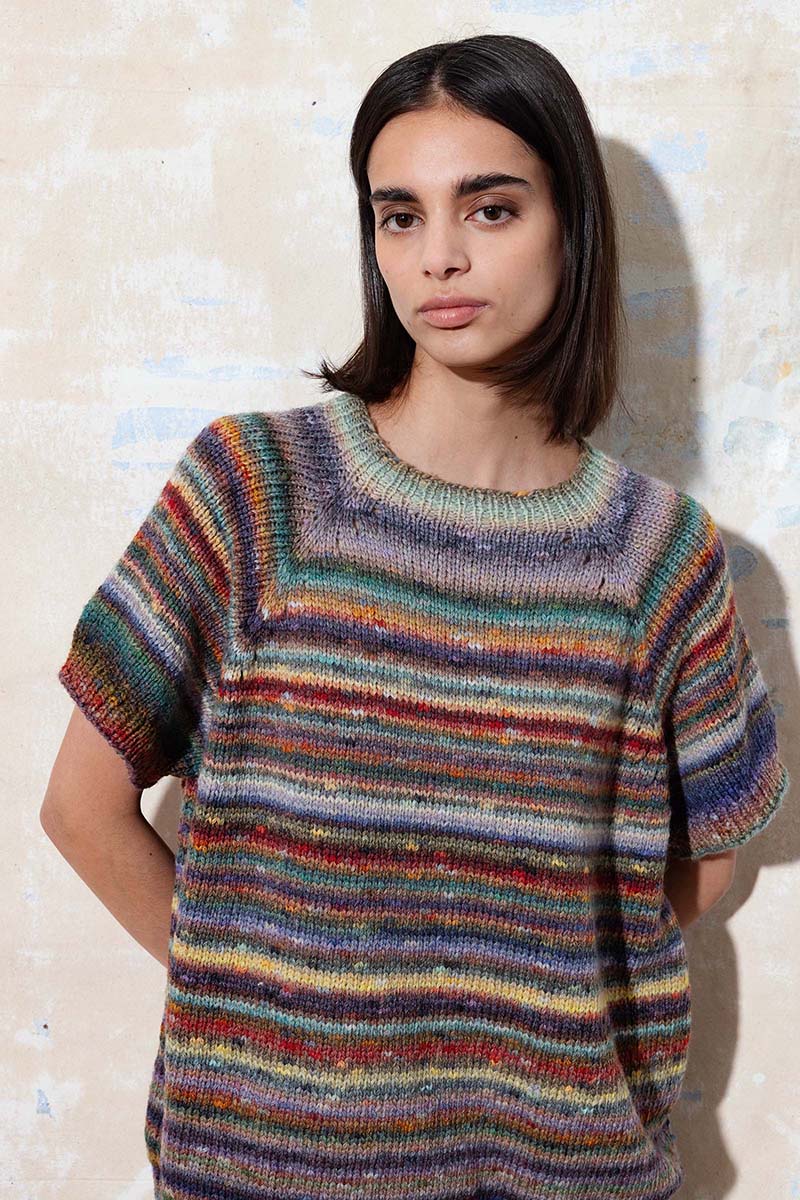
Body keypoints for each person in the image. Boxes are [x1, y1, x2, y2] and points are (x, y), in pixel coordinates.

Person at [42, 33, 789, 1200]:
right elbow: (82, 808)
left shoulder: (656, 556)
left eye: (489, 209)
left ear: (570, 226)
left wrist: (532, 997)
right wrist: (254, 1001)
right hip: (269, 1168)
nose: (438, 254)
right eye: (399, 215)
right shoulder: (260, 493)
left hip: (562, 1170)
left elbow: (707, 857)